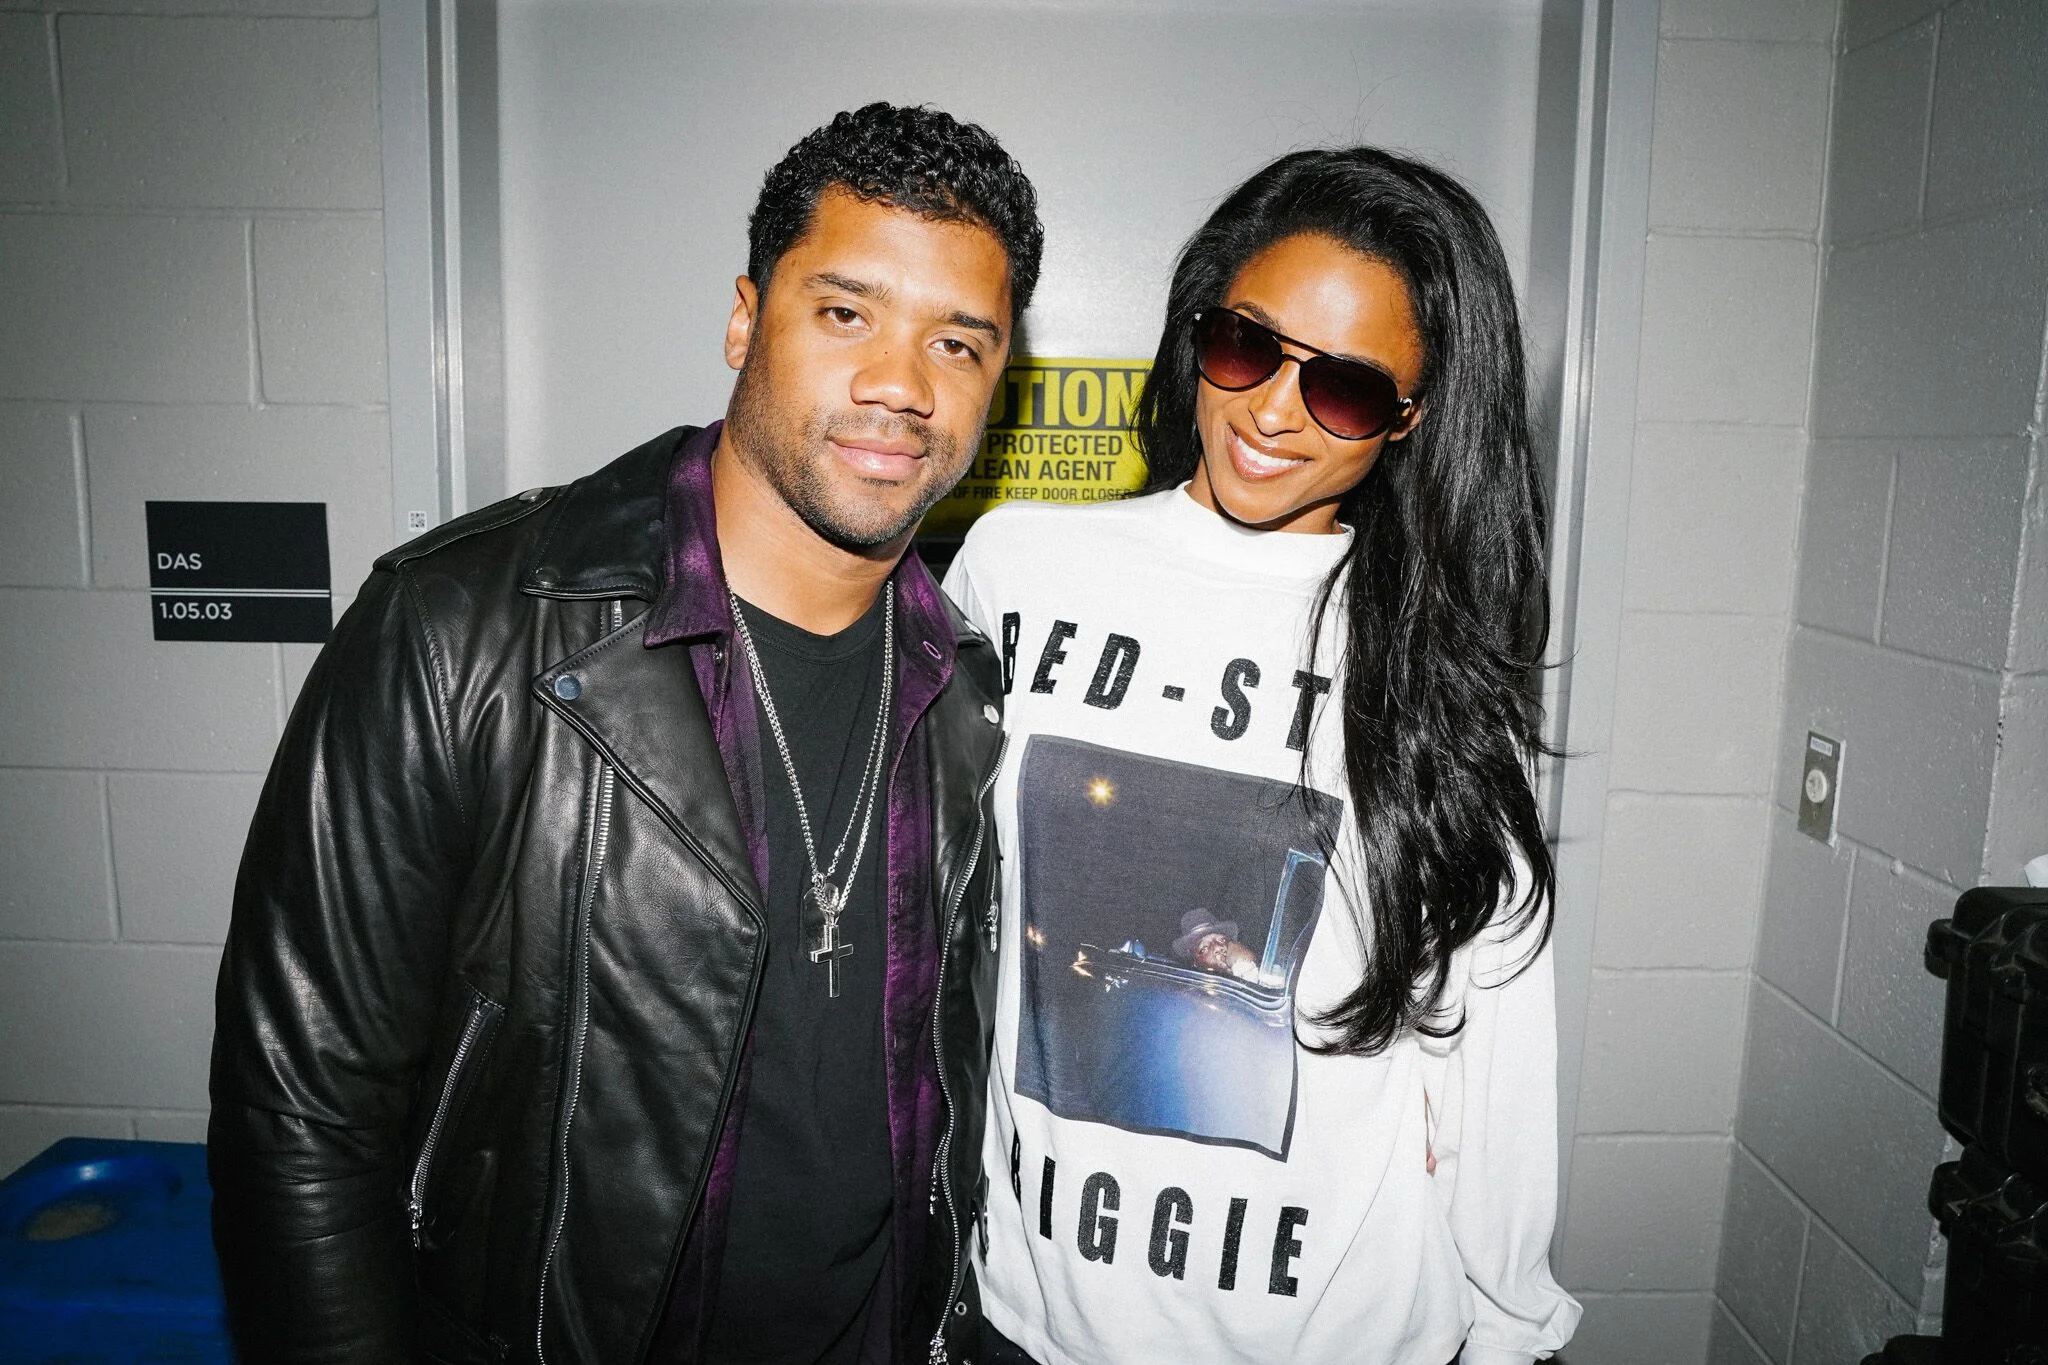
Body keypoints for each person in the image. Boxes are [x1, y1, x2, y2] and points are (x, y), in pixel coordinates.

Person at [208, 102, 1039, 1365]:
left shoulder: (966, 689)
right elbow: (302, 1115)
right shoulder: (462, 628)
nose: (900, 386)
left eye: (956, 343)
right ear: (744, 320)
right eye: (844, 313)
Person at [943, 148, 1581, 1364]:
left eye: (1344, 387)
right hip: (1027, 1321)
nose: (1274, 412)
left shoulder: (1437, 673)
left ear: (1412, 415)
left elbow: (1488, 1050)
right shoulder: (1014, 569)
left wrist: (1507, 1331)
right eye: (1245, 346)